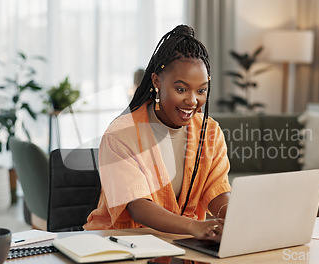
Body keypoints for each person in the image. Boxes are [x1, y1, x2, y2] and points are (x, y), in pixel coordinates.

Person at [84, 25, 231, 241]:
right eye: (181, 89)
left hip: (182, 245)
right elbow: (138, 207)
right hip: (122, 244)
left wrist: (236, 218)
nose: (192, 100)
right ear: (156, 82)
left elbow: (216, 190)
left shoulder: (209, 131)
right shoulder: (121, 135)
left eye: (201, 90)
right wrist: (194, 226)